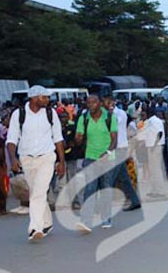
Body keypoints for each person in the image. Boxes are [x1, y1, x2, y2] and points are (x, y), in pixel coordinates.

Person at [6, 86, 66, 242]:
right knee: (36, 192)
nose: (47, 100)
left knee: (39, 192)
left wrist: (61, 162)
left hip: (47, 157)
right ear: (34, 98)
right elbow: (11, 140)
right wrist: (13, 159)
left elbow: (58, 138)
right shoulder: (18, 115)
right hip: (27, 158)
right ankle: (47, 223)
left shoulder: (50, 113)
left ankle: (35, 228)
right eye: (44, 97)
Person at [75, 94, 118, 233]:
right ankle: (86, 220)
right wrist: (78, 138)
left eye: (93, 102)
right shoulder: (83, 118)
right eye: (88, 102)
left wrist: (107, 152)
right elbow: (79, 139)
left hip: (108, 158)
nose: (90, 105)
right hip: (90, 157)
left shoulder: (110, 117)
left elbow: (114, 140)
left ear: (100, 103)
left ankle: (106, 217)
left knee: (106, 188)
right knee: (90, 188)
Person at [105, 96, 142, 211]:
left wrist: (109, 113)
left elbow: (115, 123)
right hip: (112, 148)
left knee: (110, 175)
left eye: (108, 101)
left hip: (119, 148)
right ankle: (135, 200)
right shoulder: (105, 113)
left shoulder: (120, 113)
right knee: (123, 176)